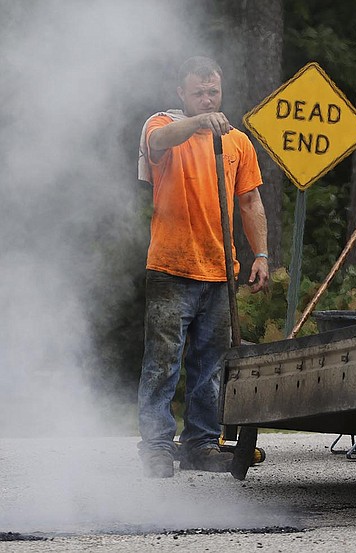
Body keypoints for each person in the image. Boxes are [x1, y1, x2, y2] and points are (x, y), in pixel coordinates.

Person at [136, 56, 270, 478]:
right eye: (199, 92)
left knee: (210, 365)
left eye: (214, 91)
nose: (208, 99)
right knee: (162, 362)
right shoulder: (162, 125)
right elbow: (158, 143)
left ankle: (201, 443)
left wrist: (261, 254)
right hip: (171, 267)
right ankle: (157, 446)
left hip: (220, 271)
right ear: (181, 93)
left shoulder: (238, 143)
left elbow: (250, 202)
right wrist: (199, 122)